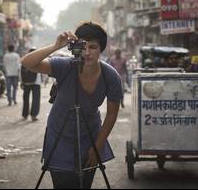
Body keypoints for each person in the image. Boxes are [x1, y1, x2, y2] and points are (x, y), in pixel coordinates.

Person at [21, 21, 123, 189]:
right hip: (60, 134)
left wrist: (97, 146)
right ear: (74, 46)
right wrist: (56, 46)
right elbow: (27, 63)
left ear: (101, 49)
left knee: (84, 184)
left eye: (93, 47)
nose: (87, 52)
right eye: (83, 46)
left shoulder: (110, 76)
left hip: (90, 135)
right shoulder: (65, 66)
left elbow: (112, 114)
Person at [20, 48, 42, 121]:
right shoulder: (39, 59)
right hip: (36, 82)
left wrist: (22, 82)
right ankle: (33, 115)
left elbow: (22, 72)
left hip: (27, 82)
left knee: (26, 99)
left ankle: (25, 114)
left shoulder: (26, 60)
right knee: (36, 99)